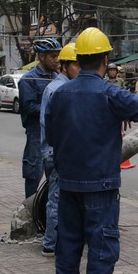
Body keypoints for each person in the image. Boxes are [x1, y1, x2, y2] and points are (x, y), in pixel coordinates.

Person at [45, 27, 138, 274]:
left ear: (78, 59)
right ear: (106, 59)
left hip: (67, 181)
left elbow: (52, 135)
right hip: (100, 183)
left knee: (67, 242)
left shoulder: (59, 93)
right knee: (102, 242)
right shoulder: (109, 92)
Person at [39, 43, 80, 257]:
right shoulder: (59, 90)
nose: (80, 70)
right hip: (57, 154)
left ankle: (57, 240)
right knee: (56, 199)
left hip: (56, 153)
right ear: (64, 66)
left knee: (60, 199)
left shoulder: (61, 87)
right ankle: (51, 243)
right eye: (76, 65)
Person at [18, 38, 61, 198]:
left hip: (54, 133)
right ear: (42, 56)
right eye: (52, 56)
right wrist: (52, 109)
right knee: (33, 174)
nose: (57, 60)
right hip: (36, 133)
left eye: (58, 55)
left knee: (55, 176)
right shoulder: (28, 79)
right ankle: (28, 213)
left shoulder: (58, 78)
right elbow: (28, 107)